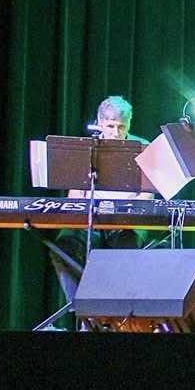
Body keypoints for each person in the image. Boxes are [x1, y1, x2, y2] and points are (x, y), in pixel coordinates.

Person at [47, 96, 155, 305]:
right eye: (110, 126)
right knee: (64, 246)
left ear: (129, 123)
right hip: (92, 218)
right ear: (99, 123)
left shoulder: (143, 148)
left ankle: (120, 310)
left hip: (128, 220)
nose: (116, 133)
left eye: (121, 127)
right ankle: (82, 307)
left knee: (126, 248)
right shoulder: (87, 148)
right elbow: (75, 194)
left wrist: (126, 215)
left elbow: (147, 194)